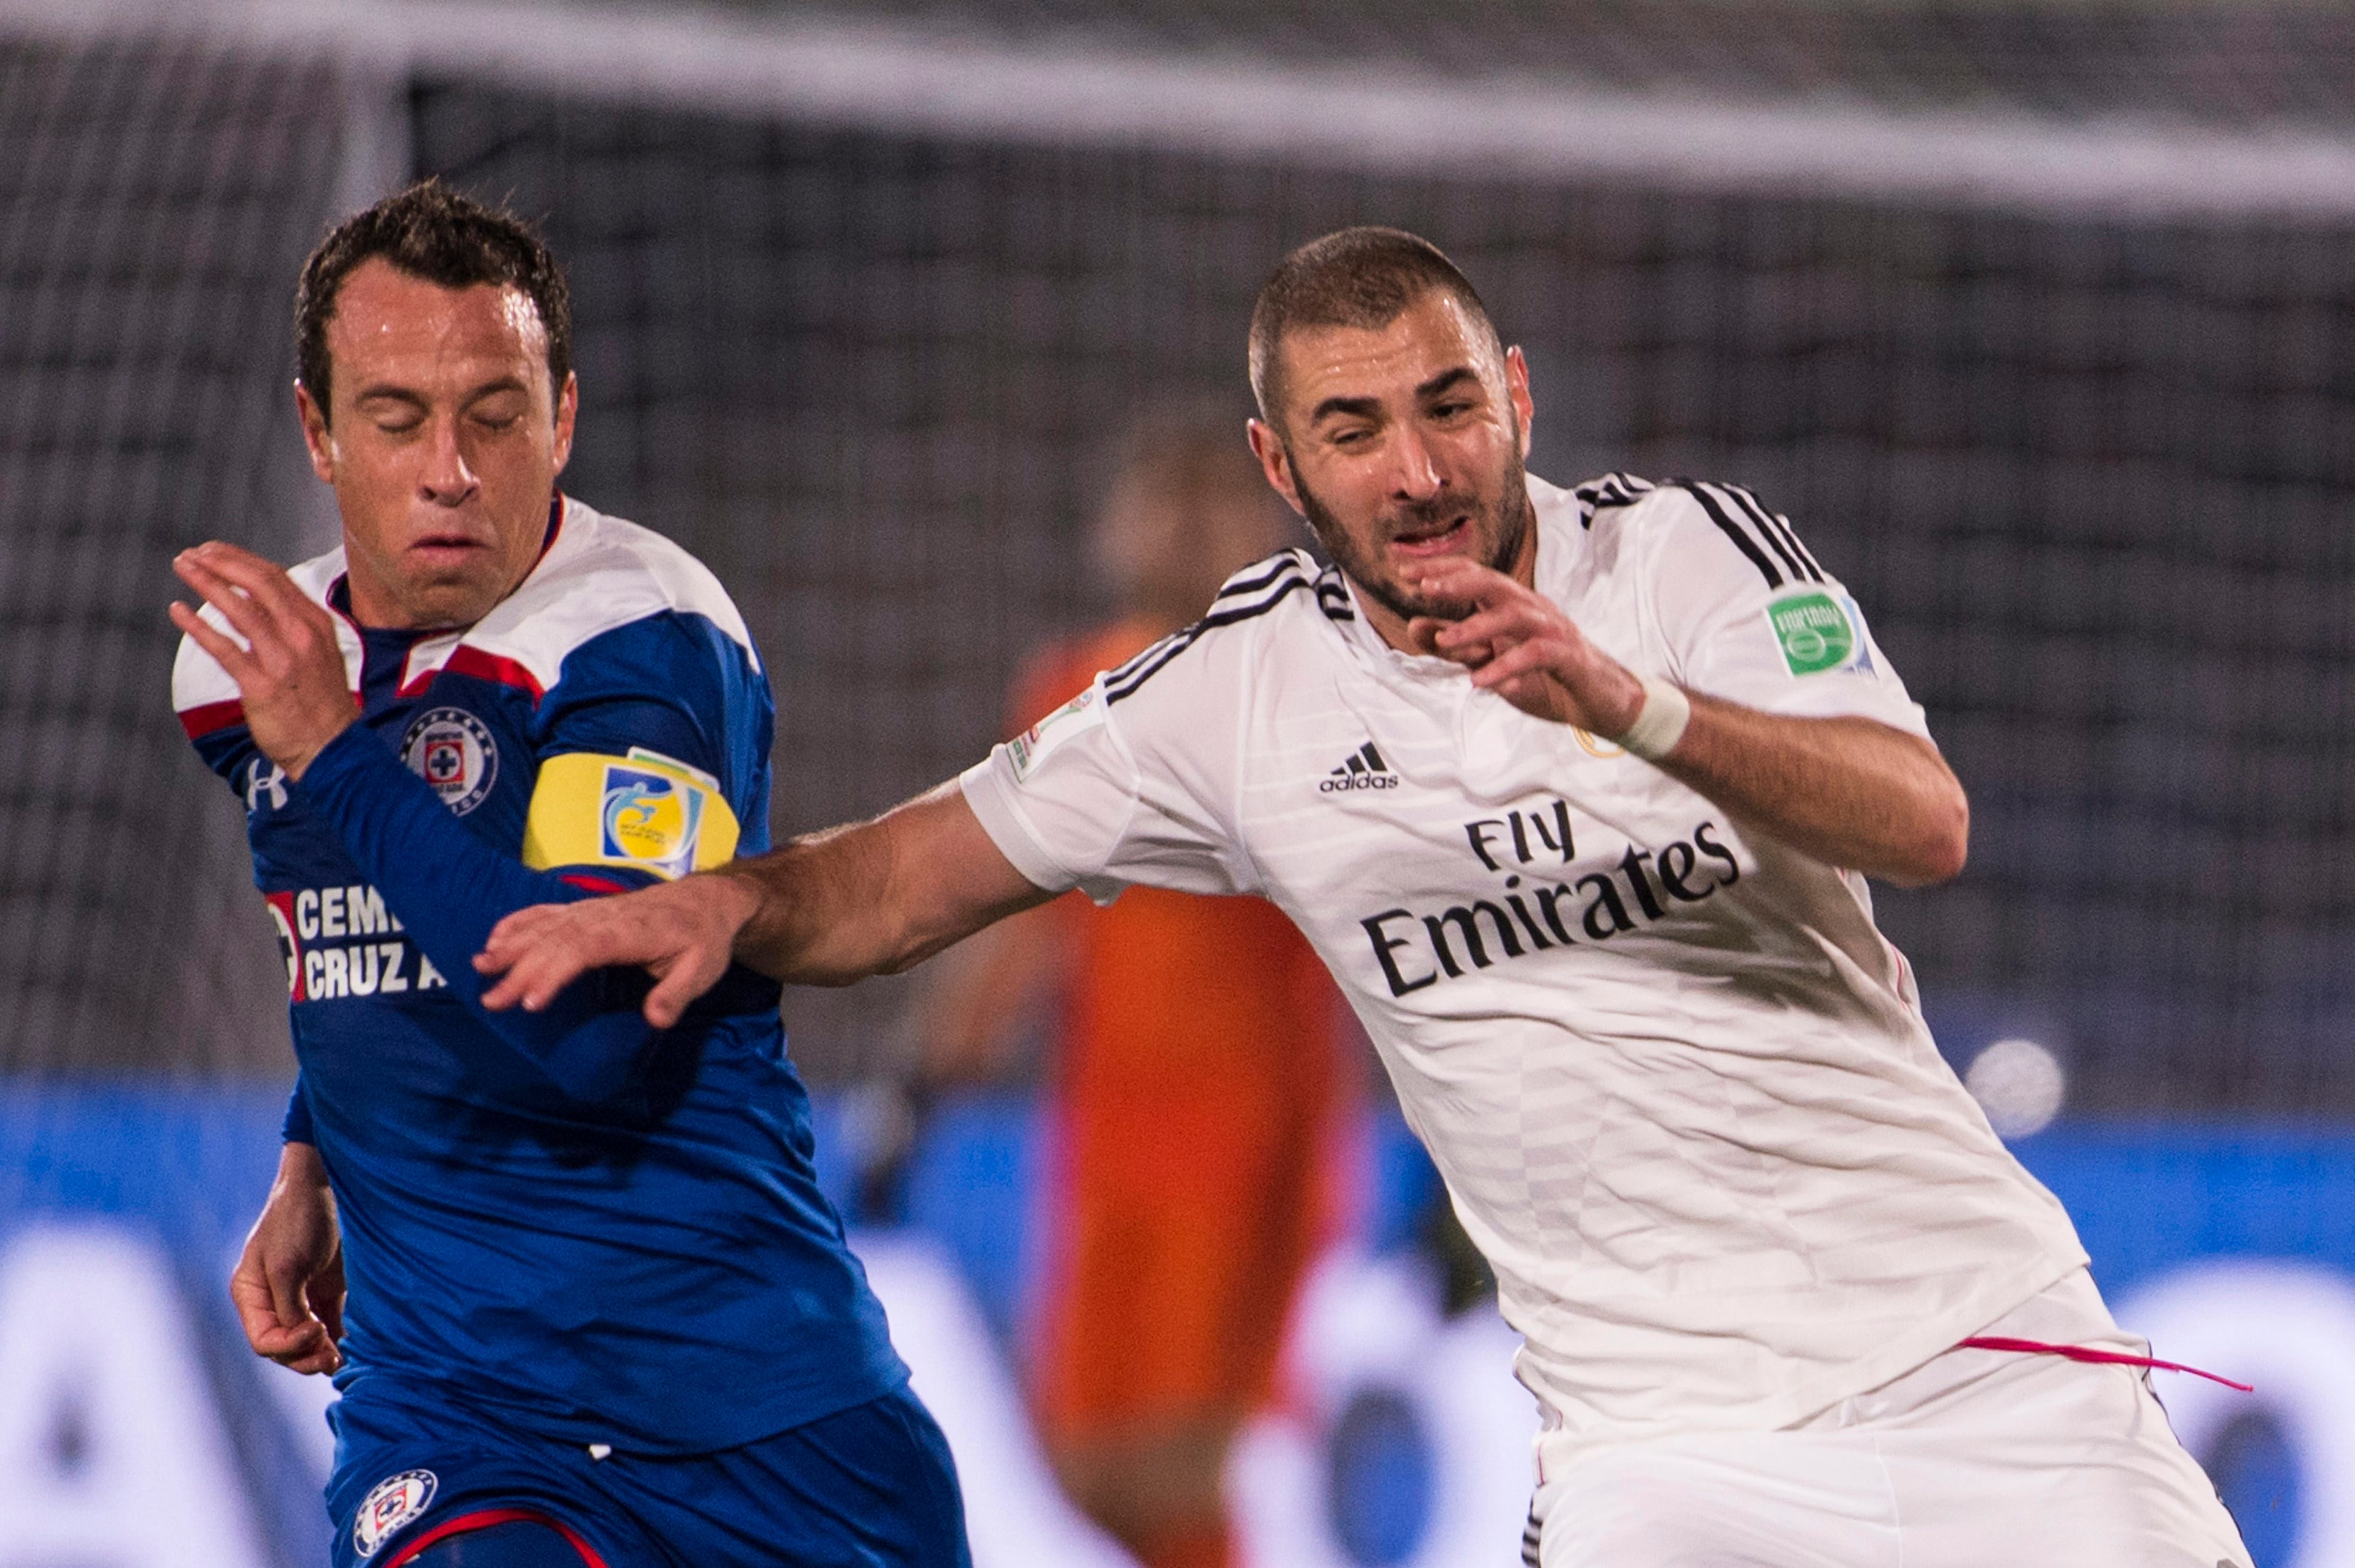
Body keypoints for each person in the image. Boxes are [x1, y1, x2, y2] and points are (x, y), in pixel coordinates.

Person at [473, 228, 2251, 1567]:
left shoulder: (1684, 556)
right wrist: (729, 906)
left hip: (1981, 1361)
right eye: (1355, 427)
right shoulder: (1227, 693)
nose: (1418, 467)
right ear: (1284, 465)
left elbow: (1922, 815)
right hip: (1663, 1453)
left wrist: (1626, 702)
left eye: (1449, 403)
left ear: (1518, 398)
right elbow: (903, 883)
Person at [169, 181, 964, 1568]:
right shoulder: (255, 675)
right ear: (318, 432)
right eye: (396, 417)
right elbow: (351, 932)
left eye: (495, 413)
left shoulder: (638, 644)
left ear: (565, 420)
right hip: (454, 1417)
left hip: (754, 1432)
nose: (450, 470)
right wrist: (315, 1152)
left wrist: (338, 755)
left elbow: (586, 1036)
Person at [913, 409, 1345, 1568]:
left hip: (1249, 1138)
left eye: (1213, 505)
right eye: (1163, 500)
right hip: (1107, 1133)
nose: (1185, 529)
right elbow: (1012, 906)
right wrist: (932, 1074)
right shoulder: (1067, 689)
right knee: (1082, 1464)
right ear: (1116, 527)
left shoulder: (1303, 694)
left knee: (1176, 1460)